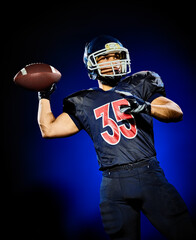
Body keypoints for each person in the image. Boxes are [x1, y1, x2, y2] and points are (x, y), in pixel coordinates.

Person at [37, 35, 195, 240]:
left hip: (148, 174)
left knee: (184, 233)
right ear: (93, 64)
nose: (113, 61)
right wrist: (44, 96)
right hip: (113, 185)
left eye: (116, 56)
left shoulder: (141, 83)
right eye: (106, 58)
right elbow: (48, 129)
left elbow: (175, 112)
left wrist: (147, 107)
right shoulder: (83, 101)